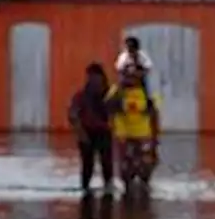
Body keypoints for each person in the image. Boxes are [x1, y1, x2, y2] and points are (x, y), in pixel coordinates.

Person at [108, 66, 160, 189]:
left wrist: (155, 139)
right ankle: (127, 189)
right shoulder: (116, 92)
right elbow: (108, 109)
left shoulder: (147, 94)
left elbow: (154, 116)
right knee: (126, 168)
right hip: (124, 135)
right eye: (128, 76)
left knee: (145, 166)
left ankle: (144, 188)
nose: (131, 79)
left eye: (134, 76)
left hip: (143, 135)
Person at [67, 62, 115, 192]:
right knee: (87, 164)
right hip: (87, 132)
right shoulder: (81, 96)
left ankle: (108, 187)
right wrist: (80, 132)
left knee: (107, 163)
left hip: (104, 132)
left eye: (96, 77)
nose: (93, 80)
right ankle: (85, 188)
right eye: (90, 77)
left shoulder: (110, 95)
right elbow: (73, 115)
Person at [115, 37, 155, 106]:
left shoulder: (142, 56)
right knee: (117, 92)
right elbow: (119, 68)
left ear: (136, 49)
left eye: (132, 49)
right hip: (126, 79)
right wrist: (128, 74)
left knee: (146, 93)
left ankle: (147, 104)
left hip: (139, 80)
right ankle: (119, 104)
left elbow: (148, 67)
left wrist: (140, 73)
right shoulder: (123, 56)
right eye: (129, 49)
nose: (130, 51)